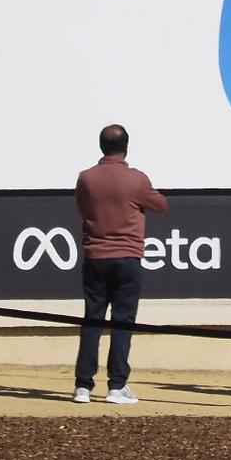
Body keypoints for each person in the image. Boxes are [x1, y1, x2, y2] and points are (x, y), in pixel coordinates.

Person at [72, 124, 167, 405]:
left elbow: (82, 209)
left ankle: (83, 386)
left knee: (91, 320)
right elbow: (161, 205)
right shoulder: (136, 179)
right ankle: (116, 386)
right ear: (126, 146)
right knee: (122, 322)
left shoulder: (86, 178)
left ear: (101, 146)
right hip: (126, 259)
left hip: (95, 257)